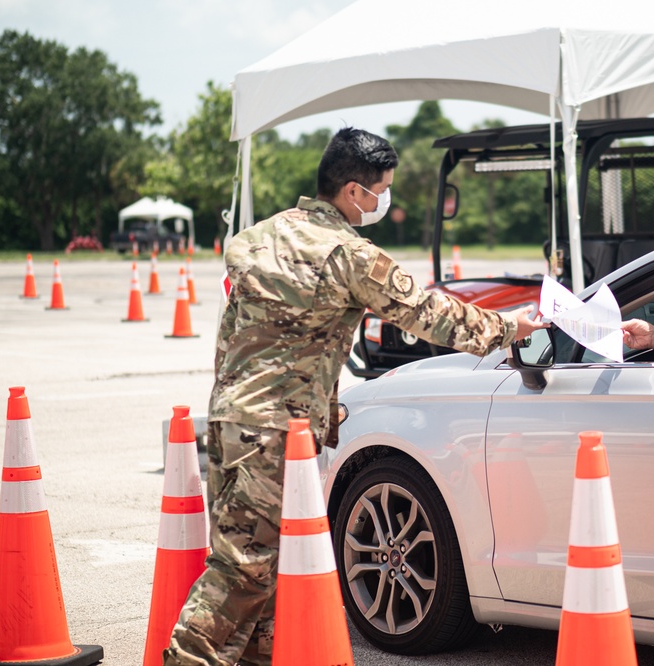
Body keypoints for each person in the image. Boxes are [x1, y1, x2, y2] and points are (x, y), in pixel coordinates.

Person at [163, 127, 546, 666]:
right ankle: (185, 658)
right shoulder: (349, 255)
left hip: (231, 419)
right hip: (275, 431)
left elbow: (248, 337)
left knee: (263, 570)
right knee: (243, 569)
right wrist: (509, 328)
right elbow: (430, 315)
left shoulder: (259, 237)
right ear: (352, 192)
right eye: (381, 189)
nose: (383, 201)